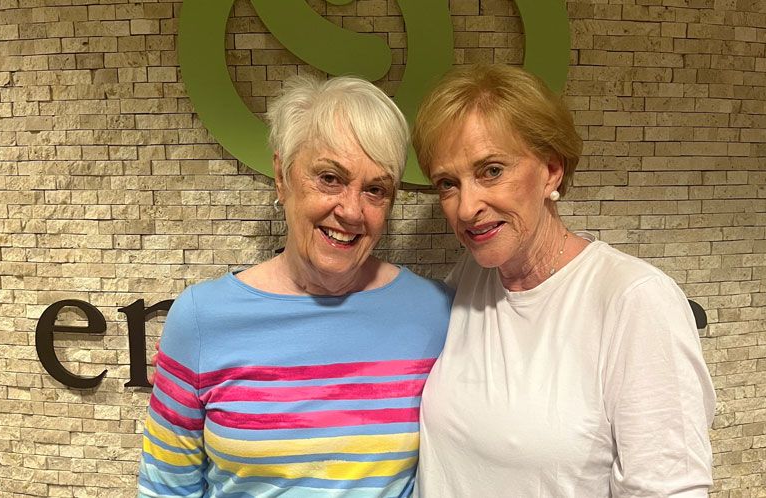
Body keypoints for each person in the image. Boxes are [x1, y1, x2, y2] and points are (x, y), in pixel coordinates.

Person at [138, 75, 452, 497]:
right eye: (329, 178)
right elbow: (166, 489)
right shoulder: (202, 319)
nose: (351, 210)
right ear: (282, 176)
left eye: (376, 189)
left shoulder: (434, 313)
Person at [410, 64, 716, 497]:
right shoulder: (472, 278)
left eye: (491, 171)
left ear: (551, 169)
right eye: (448, 183)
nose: (465, 208)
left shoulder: (634, 300)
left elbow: (668, 490)